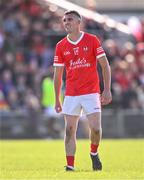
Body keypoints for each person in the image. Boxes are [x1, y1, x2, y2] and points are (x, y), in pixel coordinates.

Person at [53, 10, 112, 171]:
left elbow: (105, 65)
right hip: (71, 94)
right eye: (64, 20)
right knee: (69, 129)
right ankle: (70, 166)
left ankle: (94, 153)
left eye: (70, 19)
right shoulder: (60, 46)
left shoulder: (92, 40)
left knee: (96, 129)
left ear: (79, 22)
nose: (66, 22)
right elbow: (57, 75)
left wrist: (106, 90)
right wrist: (57, 99)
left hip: (91, 92)